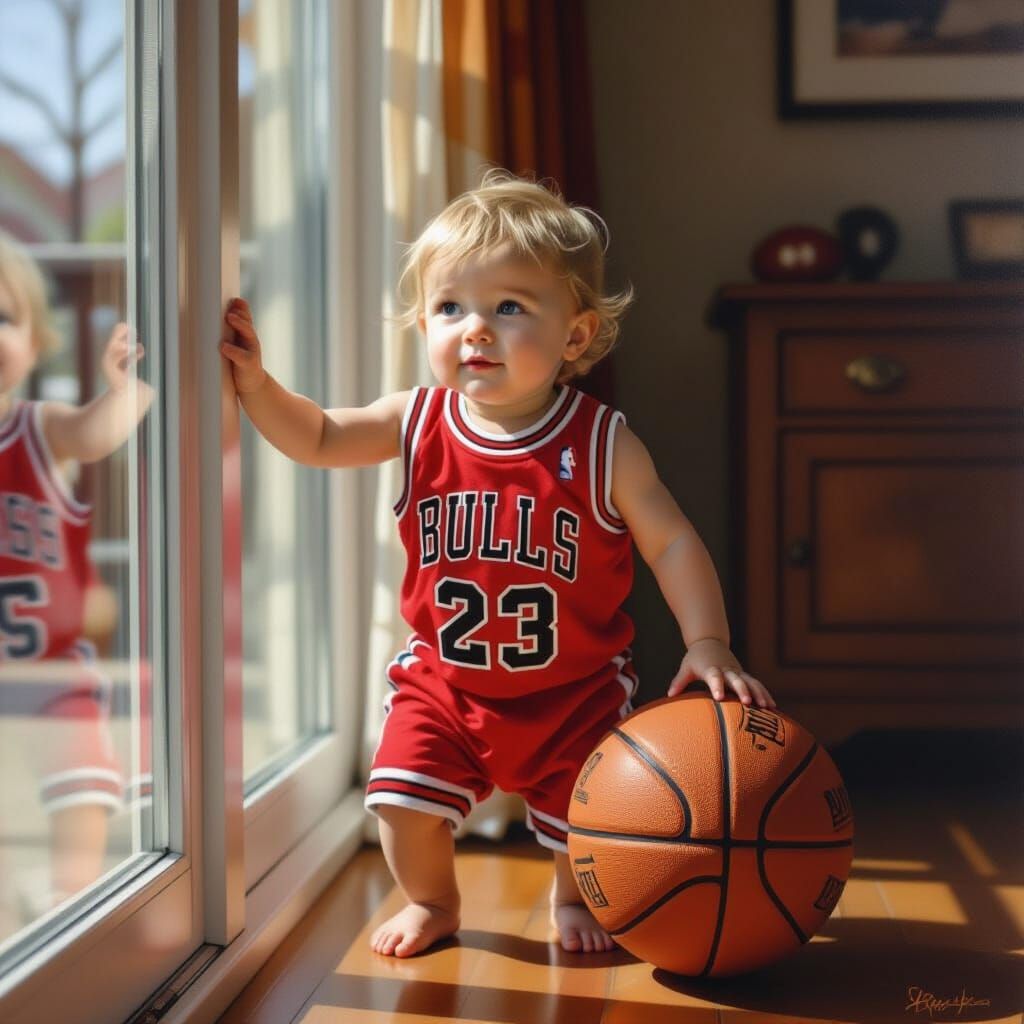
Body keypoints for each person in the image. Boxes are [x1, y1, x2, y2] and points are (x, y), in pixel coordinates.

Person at [220, 167, 777, 959]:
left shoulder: (601, 442)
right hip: (445, 684)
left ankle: (573, 896)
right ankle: (436, 902)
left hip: (573, 691)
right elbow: (315, 436)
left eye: (508, 307)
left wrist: (706, 642)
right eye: (450, 307)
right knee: (400, 805)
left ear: (575, 336)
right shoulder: (415, 420)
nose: (474, 329)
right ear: (423, 324)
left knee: (595, 815)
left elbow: (672, 540)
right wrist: (255, 382)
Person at [0, 229, 154, 925]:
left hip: (46, 668)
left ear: (35, 345)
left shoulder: (41, 426)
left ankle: (71, 901)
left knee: (84, 776)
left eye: (3, 318)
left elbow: (97, 434)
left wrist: (127, 391)